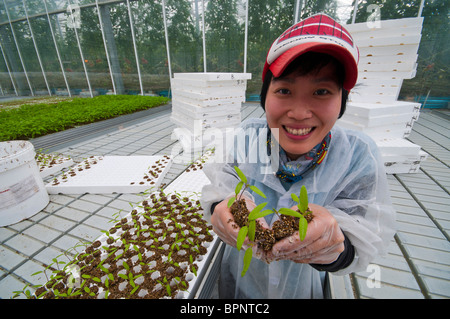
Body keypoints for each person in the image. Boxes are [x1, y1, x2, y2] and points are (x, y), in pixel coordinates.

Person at [200, 13, 396, 299]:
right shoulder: (246, 137)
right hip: (241, 282)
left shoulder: (358, 155)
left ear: (342, 100)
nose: (300, 113)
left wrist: (333, 247)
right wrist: (222, 205)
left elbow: (363, 240)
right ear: (265, 95)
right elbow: (222, 184)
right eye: (284, 90)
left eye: (321, 91)